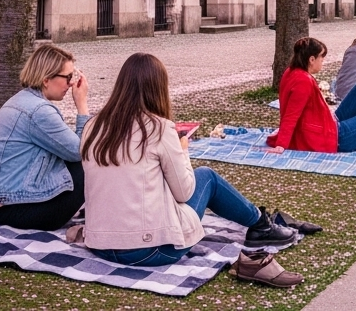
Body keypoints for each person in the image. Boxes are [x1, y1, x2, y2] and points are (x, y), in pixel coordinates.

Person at [81, 52, 298, 278]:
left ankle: (261, 224)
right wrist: (182, 150)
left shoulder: (92, 126)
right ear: (159, 88)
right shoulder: (159, 128)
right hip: (149, 249)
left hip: (100, 244)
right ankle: (261, 225)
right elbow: (184, 192)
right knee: (207, 177)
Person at [0, 43, 91, 231]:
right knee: (90, 165)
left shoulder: (24, 100)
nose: (71, 84)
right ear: (46, 79)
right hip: (18, 211)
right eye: (67, 77)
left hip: (7, 204)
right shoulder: (39, 111)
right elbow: (80, 151)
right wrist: (82, 105)